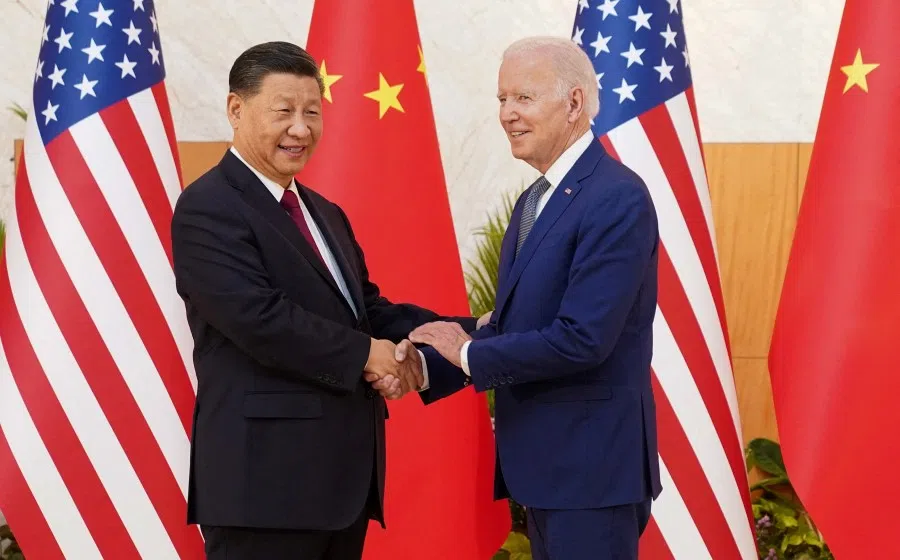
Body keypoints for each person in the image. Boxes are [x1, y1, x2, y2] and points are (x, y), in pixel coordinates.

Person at [170, 41, 476, 560]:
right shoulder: (207, 207)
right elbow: (260, 320)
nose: (301, 128)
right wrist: (367, 355)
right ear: (236, 109)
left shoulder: (324, 211)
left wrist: (459, 333)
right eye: (283, 111)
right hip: (263, 493)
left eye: (312, 112)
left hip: (341, 486)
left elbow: (366, 311)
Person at [395, 36, 662, 559]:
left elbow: (583, 339)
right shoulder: (535, 199)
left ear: (575, 103)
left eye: (523, 98)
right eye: (501, 99)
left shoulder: (615, 197)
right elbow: (515, 324)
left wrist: (466, 351)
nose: (507, 115)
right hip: (548, 471)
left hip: (590, 475)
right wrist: (426, 367)